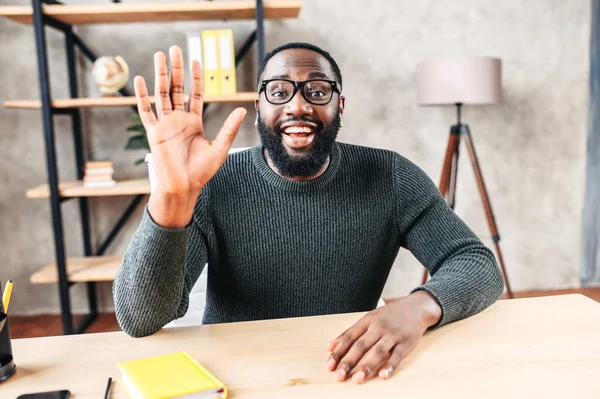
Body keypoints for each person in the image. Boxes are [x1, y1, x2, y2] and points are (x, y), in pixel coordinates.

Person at [113, 42, 504, 384]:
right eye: (279, 91)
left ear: (340, 105)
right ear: (259, 105)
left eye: (318, 91)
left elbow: (475, 262)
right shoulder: (213, 183)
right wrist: (173, 195)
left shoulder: (390, 176)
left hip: (347, 369)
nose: (298, 106)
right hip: (236, 376)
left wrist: (416, 308)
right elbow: (140, 319)